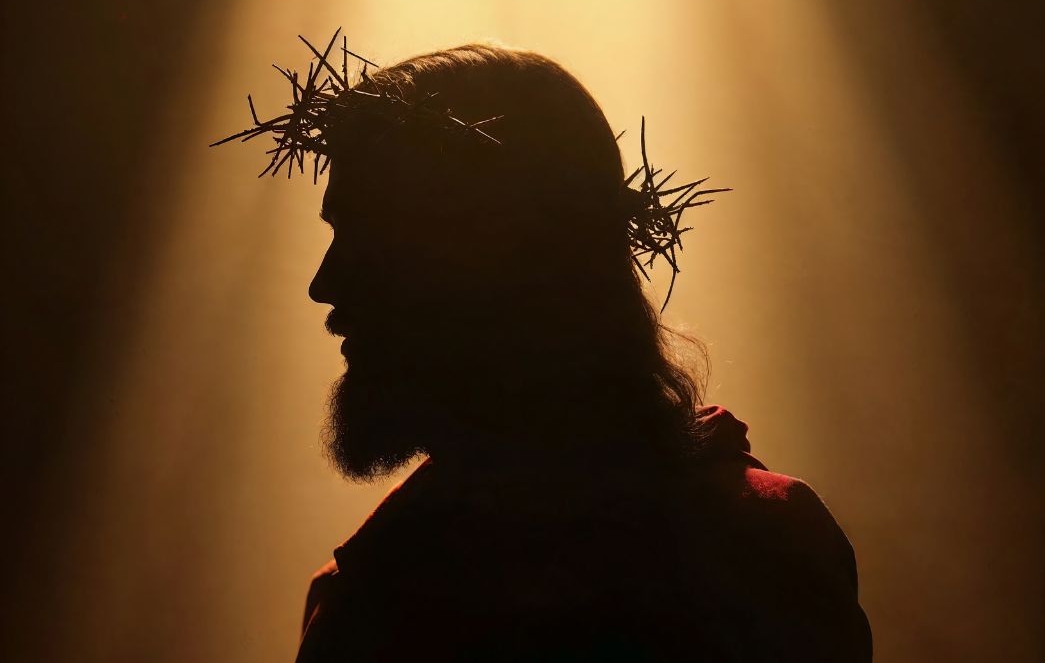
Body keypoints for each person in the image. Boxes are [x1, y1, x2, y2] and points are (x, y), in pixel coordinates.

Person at [219, 37, 873, 661]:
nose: (324, 284)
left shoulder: (754, 555)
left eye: (369, 238)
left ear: (497, 258)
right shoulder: (366, 591)